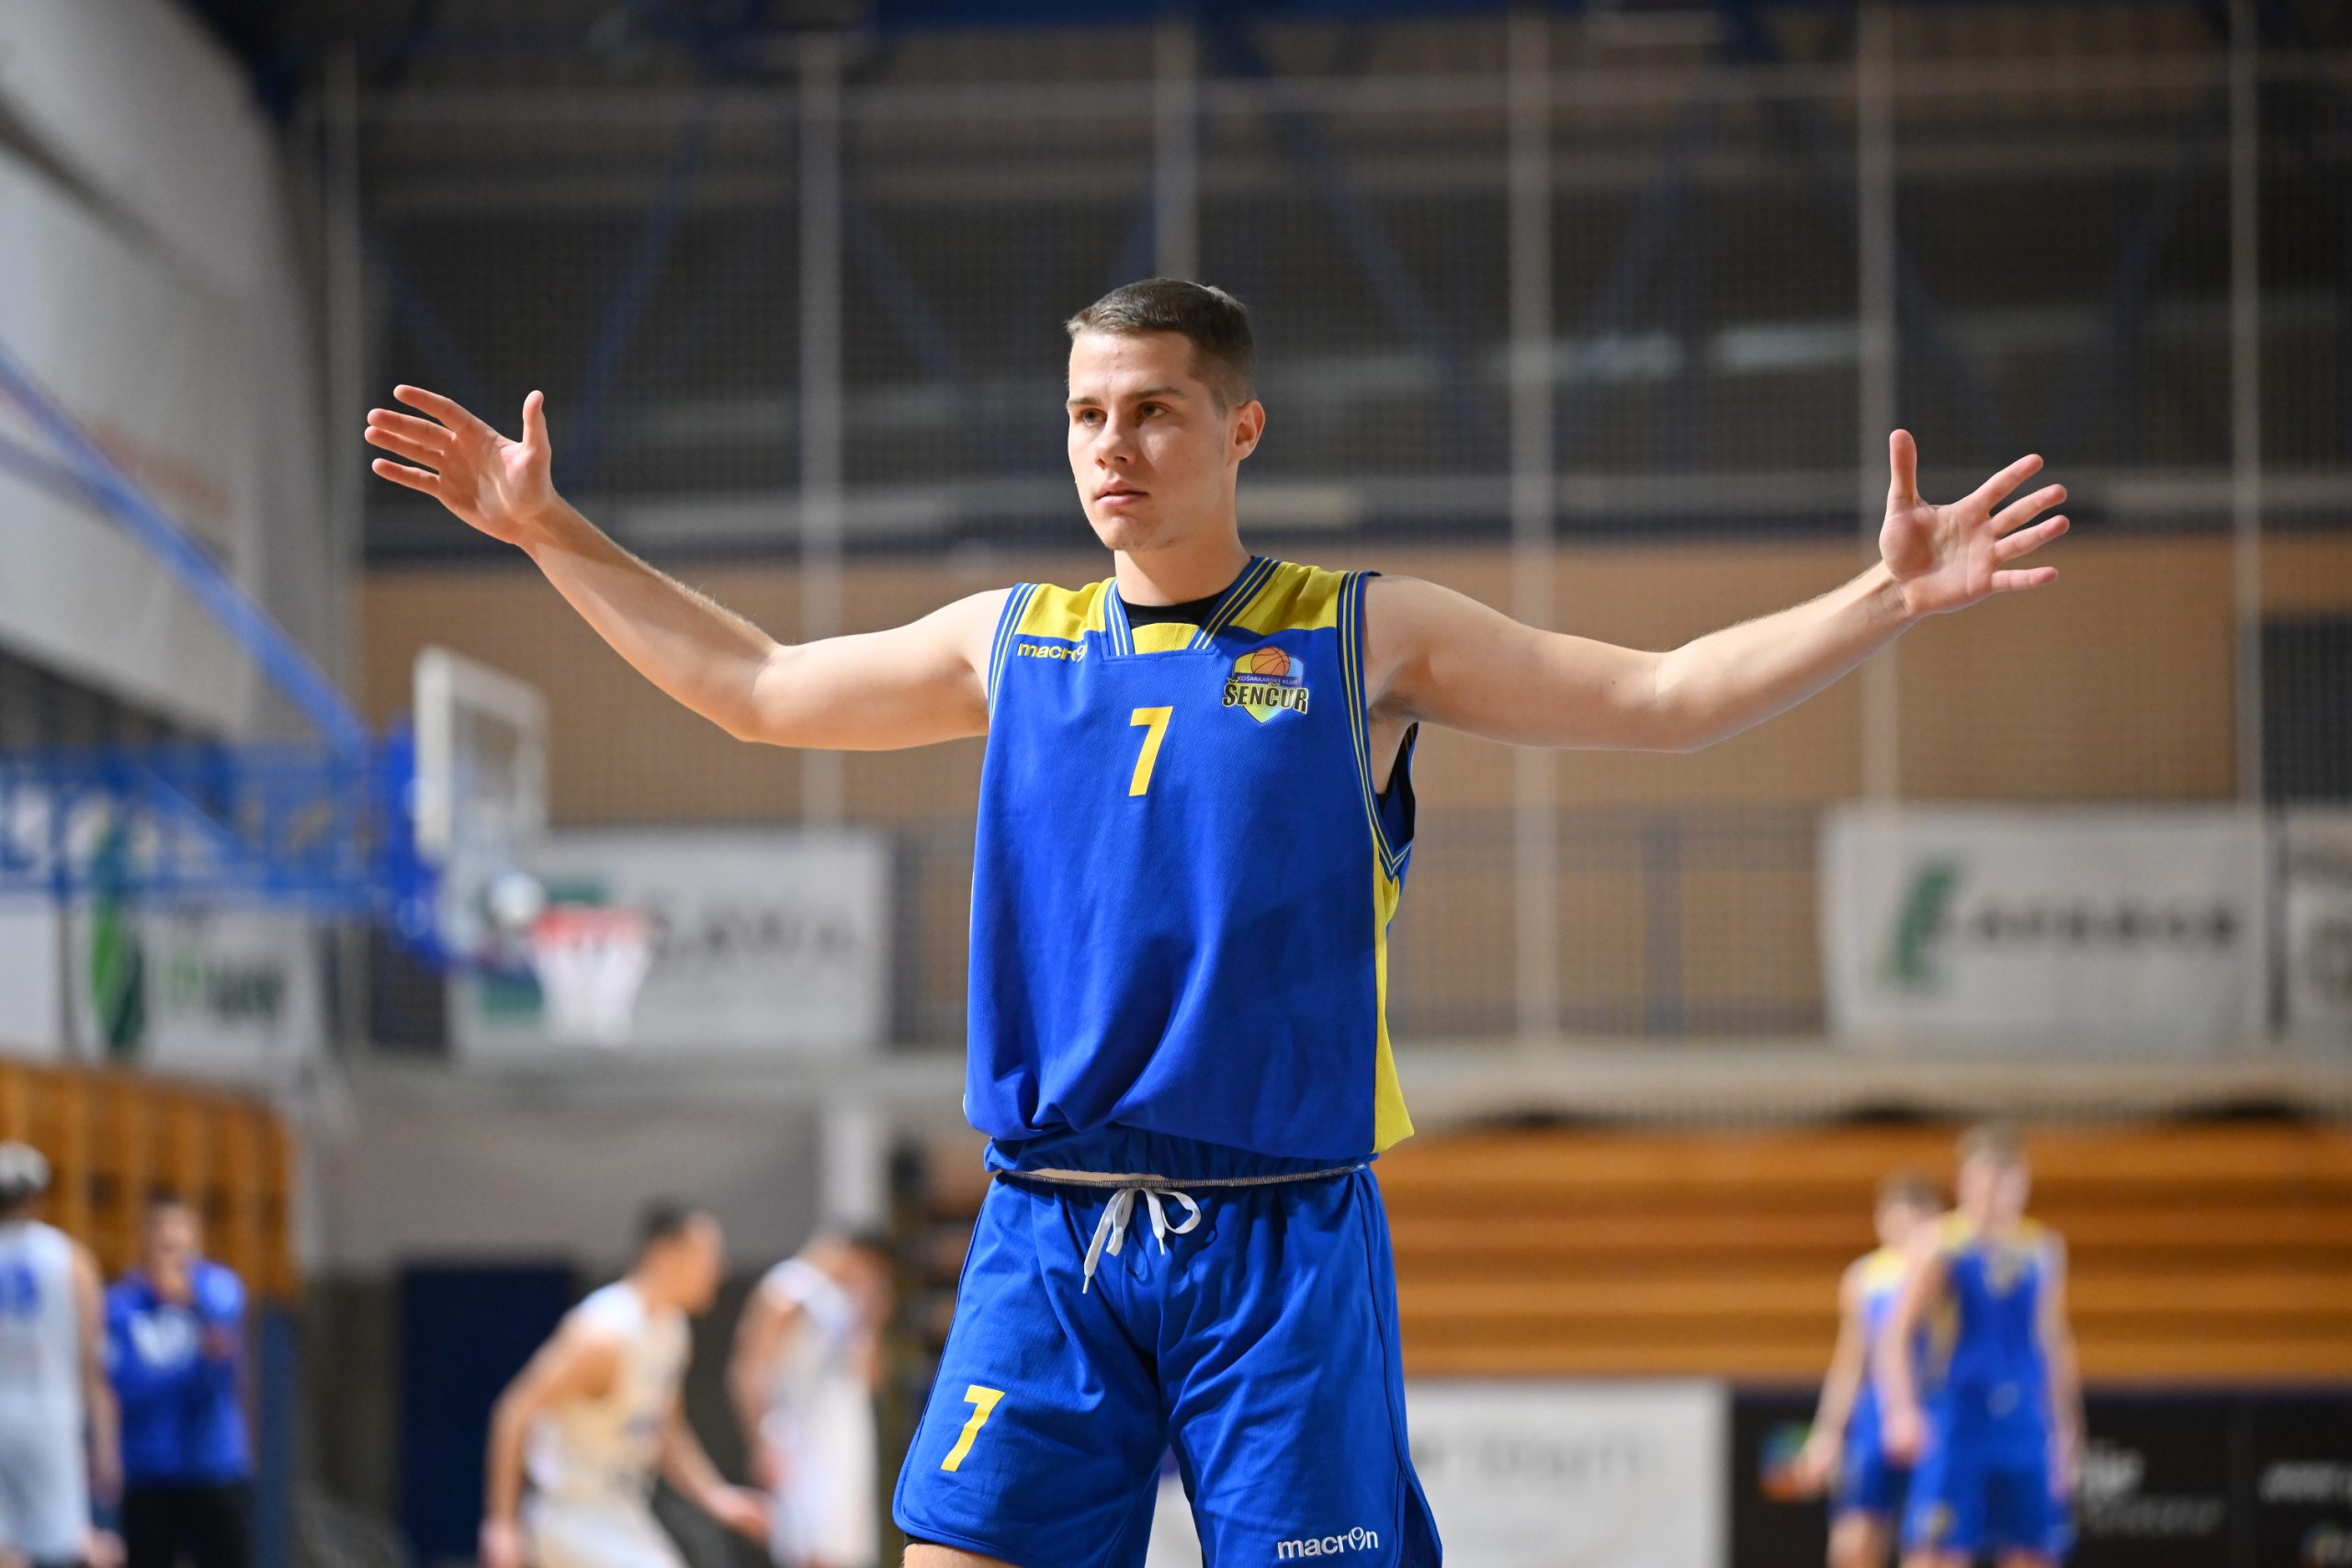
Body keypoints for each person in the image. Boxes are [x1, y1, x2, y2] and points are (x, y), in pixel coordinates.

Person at [368, 277, 2069, 1568]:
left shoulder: (1361, 635)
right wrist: (546, 529)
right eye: (1086, 415)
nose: (1113, 447)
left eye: (1154, 412)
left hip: (1279, 1234)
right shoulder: (1009, 640)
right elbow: (751, 686)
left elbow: (1664, 696)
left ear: (1241, 429)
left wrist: (1886, 596)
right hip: (1046, 1225)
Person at [481, 1202, 766, 1568]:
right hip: (572, 1514)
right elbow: (515, 1409)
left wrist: (717, 1498)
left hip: (622, 1508)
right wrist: (502, 1524)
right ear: (666, 1254)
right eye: (709, 1256)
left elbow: (665, 1427)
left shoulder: (671, 1329)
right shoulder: (603, 1335)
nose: (720, 1270)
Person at [1877, 1125, 2082, 1568]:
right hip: (1959, 1414)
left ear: (2022, 1186)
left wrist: (2067, 1431)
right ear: (1964, 1184)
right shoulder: (1939, 1244)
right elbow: (1896, 1334)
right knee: (1938, 1550)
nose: (1995, 1196)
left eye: (2006, 1184)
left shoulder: (2041, 1249)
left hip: (2024, 1418)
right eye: (1985, 1183)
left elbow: (2053, 1341)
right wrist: (1902, 1409)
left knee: (2035, 1549)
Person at [1794, 1171, 1942, 1568]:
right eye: (1896, 1217)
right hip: (1873, 1421)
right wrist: (1828, 1431)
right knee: (1853, 1543)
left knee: (1929, 1545)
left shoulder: (1946, 1274)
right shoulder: (1864, 1278)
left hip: (1933, 1416)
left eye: (1916, 1218)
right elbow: (1850, 1362)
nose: (1904, 1228)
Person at [729, 1233, 895, 1568]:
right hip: (800, 1442)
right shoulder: (790, 1289)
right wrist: (763, 1441)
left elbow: (871, 1381)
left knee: (842, 1554)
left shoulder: (844, 1302)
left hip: (841, 1444)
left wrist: (872, 1321)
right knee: (808, 1553)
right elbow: (748, 1371)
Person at [107, 1194, 248, 1568]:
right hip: (150, 1468)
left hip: (212, 1463)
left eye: (179, 1230)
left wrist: (188, 1295)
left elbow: (224, 1338)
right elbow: (125, 1386)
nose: (170, 1239)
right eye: (160, 1230)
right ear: (144, 1239)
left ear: (196, 1238)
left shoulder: (219, 1286)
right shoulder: (124, 1303)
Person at [0, 1144, 119, 1568]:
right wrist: (105, 1443)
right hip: (49, 1417)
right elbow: (91, 1363)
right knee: (61, 1548)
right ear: (38, 1197)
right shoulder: (70, 1260)